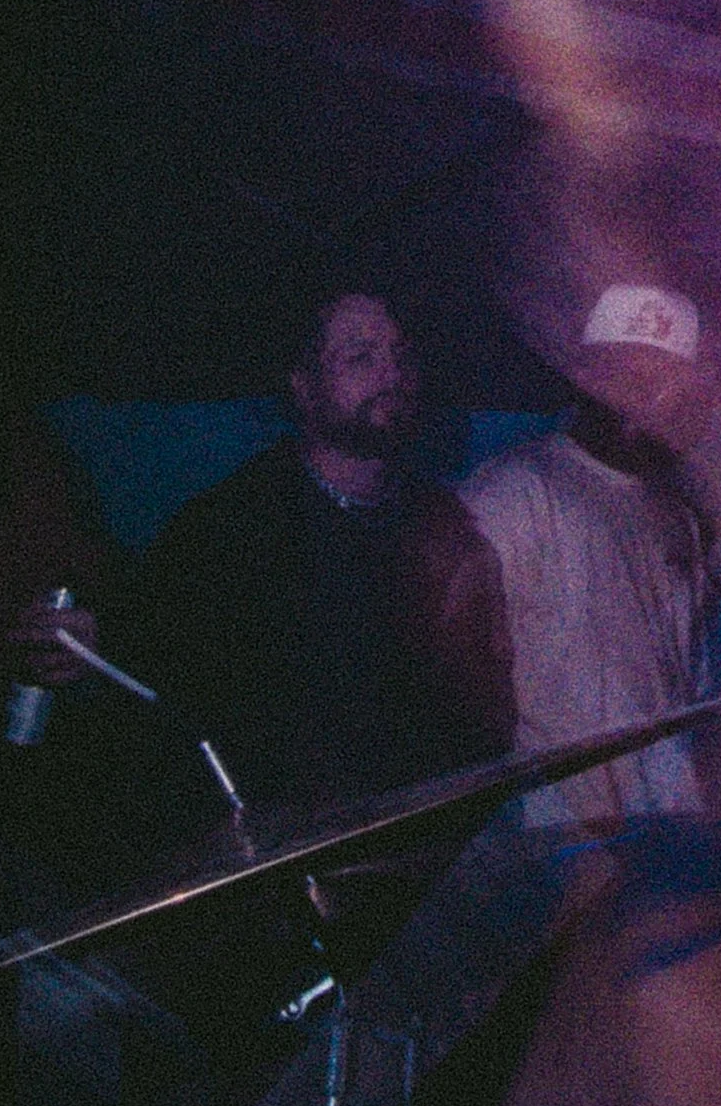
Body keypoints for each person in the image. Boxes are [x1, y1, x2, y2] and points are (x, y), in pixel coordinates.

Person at [122, 284, 510, 823]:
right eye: (359, 357)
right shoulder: (230, 530)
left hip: (426, 855)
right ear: (303, 388)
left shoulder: (438, 521)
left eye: (400, 354)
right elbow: (159, 692)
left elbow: (472, 720)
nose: (391, 374)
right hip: (288, 869)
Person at [457, 283, 721, 833]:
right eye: (626, 372)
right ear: (584, 376)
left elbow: (681, 681)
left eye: (665, 380)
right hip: (559, 838)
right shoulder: (514, 492)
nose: (645, 397)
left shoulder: (677, 514)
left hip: (668, 823)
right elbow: (457, 686)